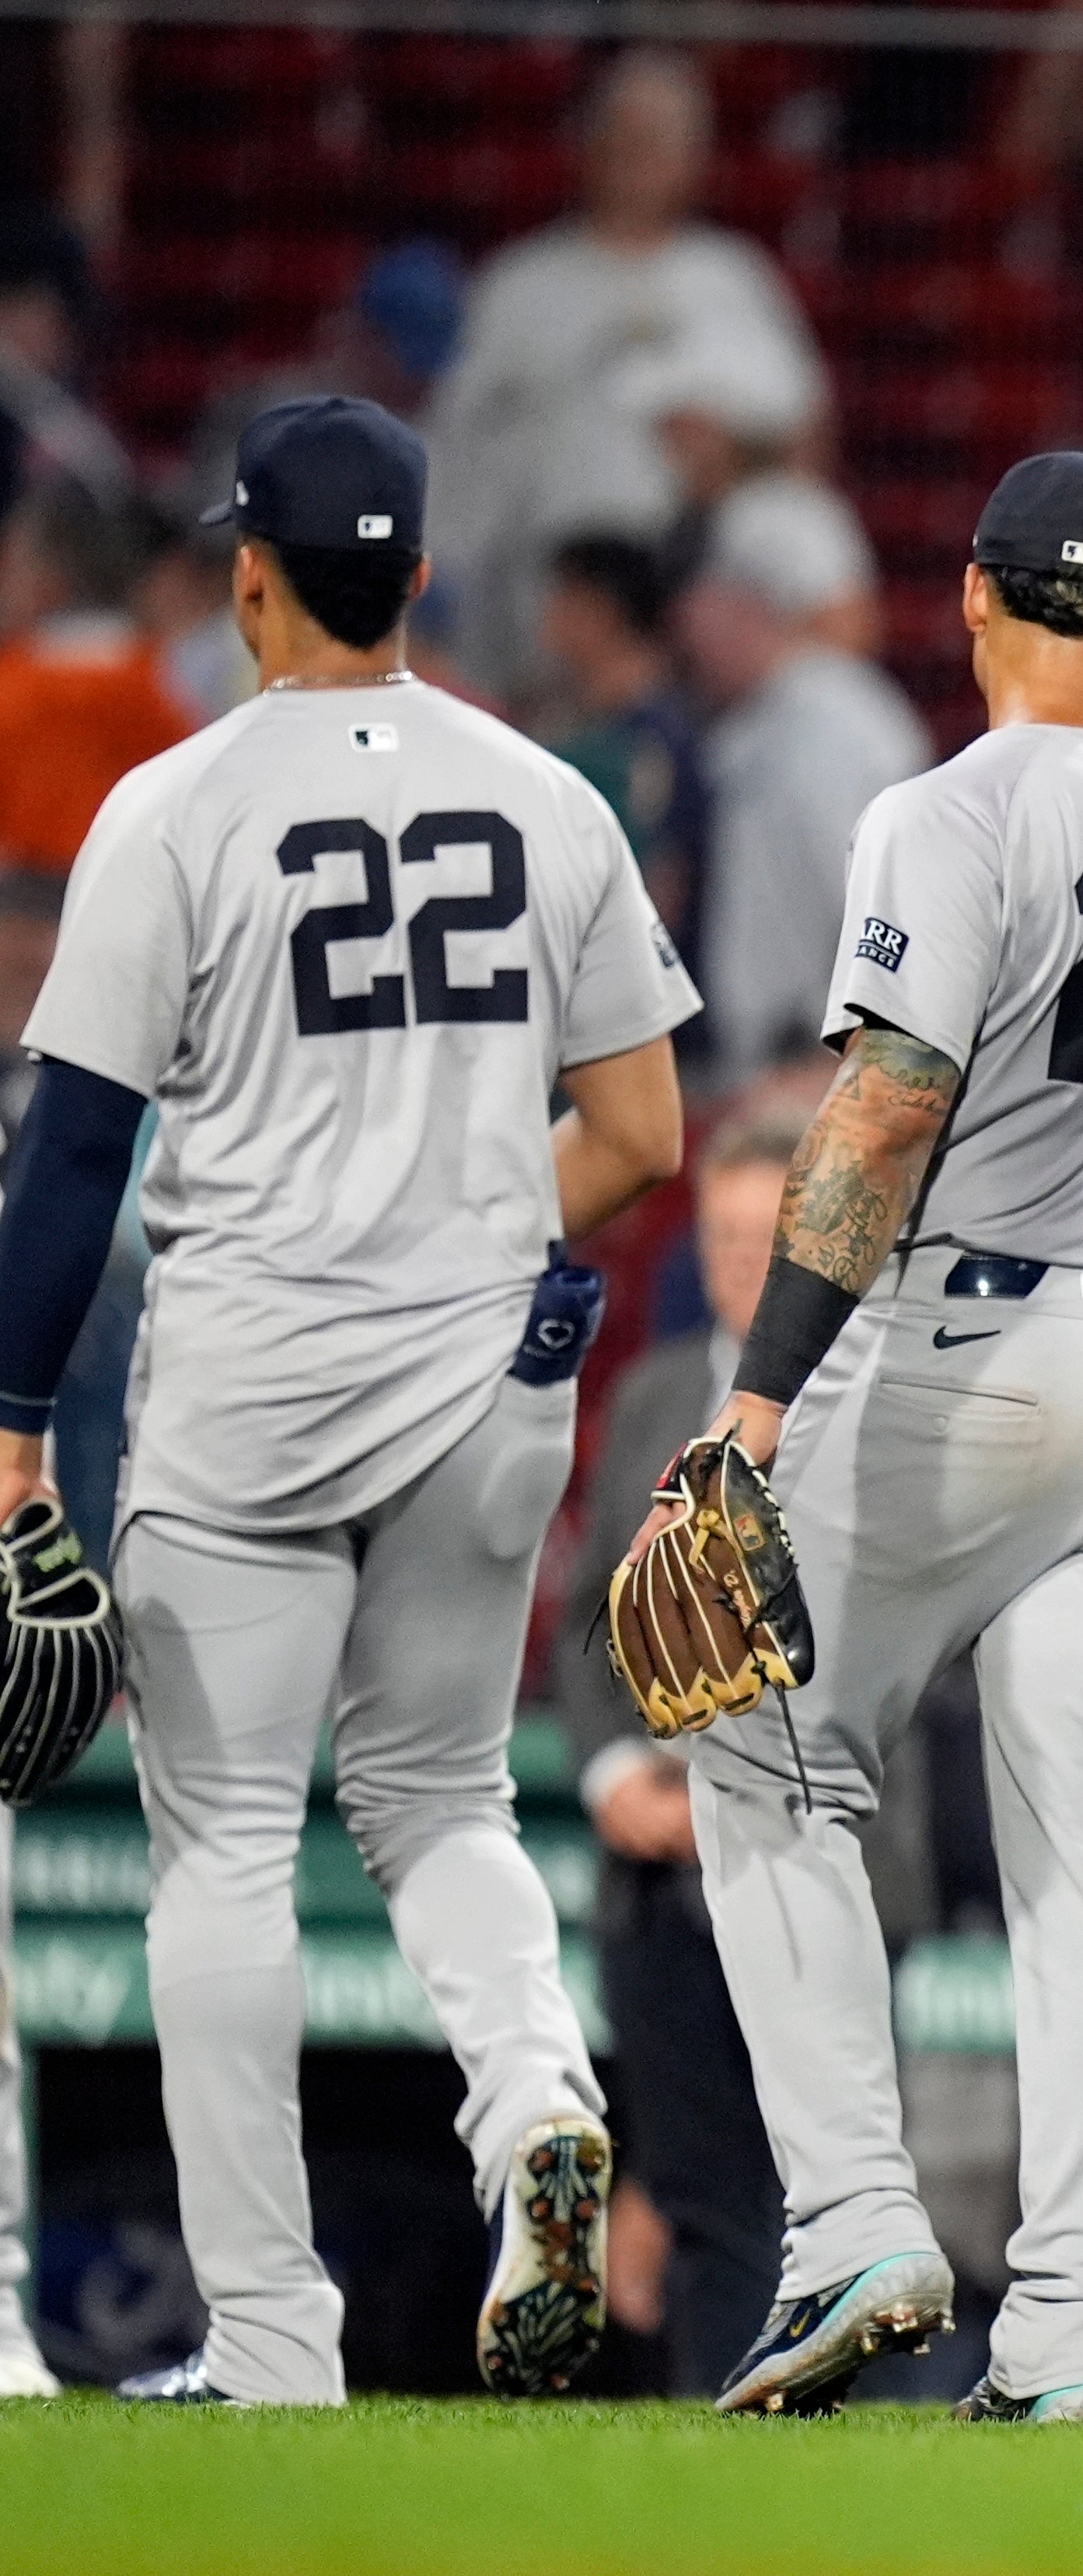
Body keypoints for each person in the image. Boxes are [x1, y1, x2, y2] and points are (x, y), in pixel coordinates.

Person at [0, 394, 695, 2403]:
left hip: (256, 1368)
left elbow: (67, 1162)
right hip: (489, 1367)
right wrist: (464, 1216)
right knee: (439, 1795)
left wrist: (16, 1423)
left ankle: (275, 2340)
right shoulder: (546, 789)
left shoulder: (177, 803)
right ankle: (539, 2105)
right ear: (411, 577)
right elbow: (641, 1128)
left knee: (220, 1833)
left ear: (243, 575)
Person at [665, 453, 1083, 2426]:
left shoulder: (944, 805)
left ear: (971, 597)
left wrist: (753, 1402)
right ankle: (1079, 2330)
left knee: (751, 1736)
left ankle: (853, 2211)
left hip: (975, 1347)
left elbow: (879, 1113)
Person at [550, 1091, 802, 2398]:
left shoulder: (874, 1401)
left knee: (817, 2196)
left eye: (768, 1236)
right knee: (700, 2195)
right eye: (721, 1234)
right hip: (658, 1879)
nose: (740, 1261)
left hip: (830, 1861)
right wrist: (615, 1778)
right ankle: (730, 2461)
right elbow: (588, 1622)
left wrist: (728, 1788)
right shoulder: (652, 1394)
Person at [424, 50, 824, 701]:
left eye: (660, 141)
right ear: (588, 143)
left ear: (696, 158)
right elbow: (459, 453)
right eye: (625, 134)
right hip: (541, 616)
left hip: (690, 621)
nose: (639, 158)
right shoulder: (520, 287)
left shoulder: (734, 282)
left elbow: (802, 440)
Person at [679, 478, 928, 1082]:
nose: (690, 623)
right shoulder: (769, 715)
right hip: (772, 1062)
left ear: (752, 603)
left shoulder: (831, 723)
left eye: (708, 599)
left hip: (817, 1067)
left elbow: (880, 913)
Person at [0, 472, 190, 880]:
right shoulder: (166, 678)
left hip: (20, 909)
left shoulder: (12, 687)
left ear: (44, 582)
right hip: (142, 893)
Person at [529, 530, 708, 950]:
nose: (547, 614)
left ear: (602, 612)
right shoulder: (576, 722)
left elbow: (663, 885)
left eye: (563, 598)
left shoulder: (657, 741)